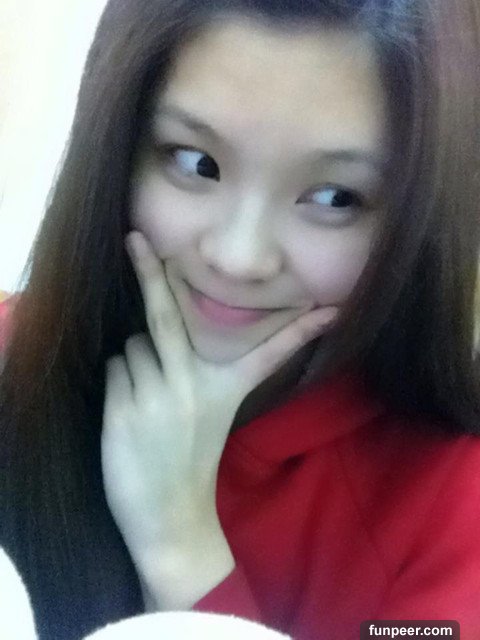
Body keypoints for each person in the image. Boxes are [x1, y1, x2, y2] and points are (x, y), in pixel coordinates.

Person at [1, 0, 480, 639]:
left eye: (334, 197)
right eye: (195, 162)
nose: (238, 257)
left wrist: (182, 546)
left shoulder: (454, 503)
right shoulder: (12, 357)